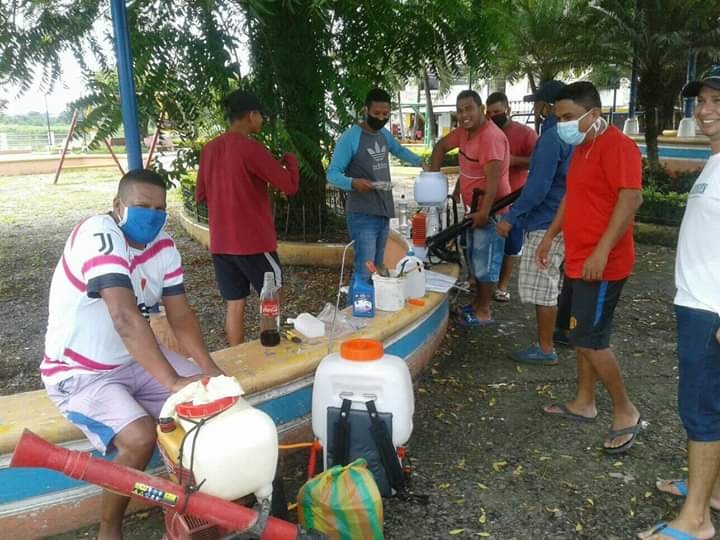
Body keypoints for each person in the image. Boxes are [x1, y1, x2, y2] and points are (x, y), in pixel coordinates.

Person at [41, 169, 224, 540]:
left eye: (160, 209)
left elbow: (180, 314)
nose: (152, 216)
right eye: (142, 206)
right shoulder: (98, 235)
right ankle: (109, 527)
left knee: (208, 404)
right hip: (79, 372)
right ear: (118, 206)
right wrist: (172, 380)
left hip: (133, 359)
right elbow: (124, 317)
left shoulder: (164, 246)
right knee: (139, 437)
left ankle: (199, 505)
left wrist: (209, 369)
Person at [535, 81, 644, 453]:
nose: (561, 124)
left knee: (590, 340)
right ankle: (584, 401)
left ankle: (626, 410)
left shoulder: (619, 146)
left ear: (594, 113)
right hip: (579, 259)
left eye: (568, 117)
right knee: (578, 332)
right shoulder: (583, 147)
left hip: (603, 264)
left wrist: (601, 251)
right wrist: (551, 235)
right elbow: (572, 196)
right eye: (558, 118)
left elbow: (631, 199)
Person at [639, 65, 720, 540]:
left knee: (700, 409)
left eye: (717, 102)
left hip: (711, 308)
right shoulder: (715, 159)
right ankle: (712, 490)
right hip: (698, 302)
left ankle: (697, 520)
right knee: (711, 403)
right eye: (702, 101)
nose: (705, 111)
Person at [196, 90, 299, 346]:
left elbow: (201, 195)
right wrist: (291, 162)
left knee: (235, 304)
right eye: (261, 115)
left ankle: (237, 357)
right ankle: (269, 346)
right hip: (253, 242)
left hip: (221, 243)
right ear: (251, 115)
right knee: (273, 294)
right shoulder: (251, 148)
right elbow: (289, 186)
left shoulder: (209, 149)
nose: (262, 121)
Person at [495, 80, 572, 365]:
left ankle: (545, 348)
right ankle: (562, 333)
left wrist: (512, 217)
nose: (535, 109)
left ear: (547, 107)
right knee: (558, 280)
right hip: (566, 217)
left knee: (543, 285)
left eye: (538, 104)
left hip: (547, 221)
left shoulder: (552, 138)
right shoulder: (574, 137)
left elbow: (538, 187)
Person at [431, 89, 511, 326]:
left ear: (481, 110)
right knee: (474, 258)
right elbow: (440, 147)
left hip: (492, 209)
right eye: (459, 110)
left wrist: (485, 212)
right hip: (474, 207)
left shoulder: (490, 137)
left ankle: (483, 311)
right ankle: (476, 305)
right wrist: (432, 181)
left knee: (485, 263)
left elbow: (493, 180)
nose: (464, 115)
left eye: (469, 109)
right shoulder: (464, 133)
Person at [327, 88, 423, 283]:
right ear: (366, 110)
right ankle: (358, 301)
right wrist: (353, 183)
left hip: (383, 211)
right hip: (362, 214)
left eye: (385, 114)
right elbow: (332, 174)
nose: (381, 118)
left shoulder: (383, 134)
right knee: (365, 270)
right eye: (376, 113)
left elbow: (399, 150)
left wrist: (422, 163)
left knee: (377, 269)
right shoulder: (351, 137)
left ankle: (374, 301)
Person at [485, 91, 538, 302]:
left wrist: (514, 160)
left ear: (508, 109)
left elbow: (538, 161)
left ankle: (503, 285)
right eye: (489, 113)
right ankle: (480, 281)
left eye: (497, 111)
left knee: (512, 245)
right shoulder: (485, 133)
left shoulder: (525, 134)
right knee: (485, 241)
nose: (493, 116)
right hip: (490, 198)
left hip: (515, 199)